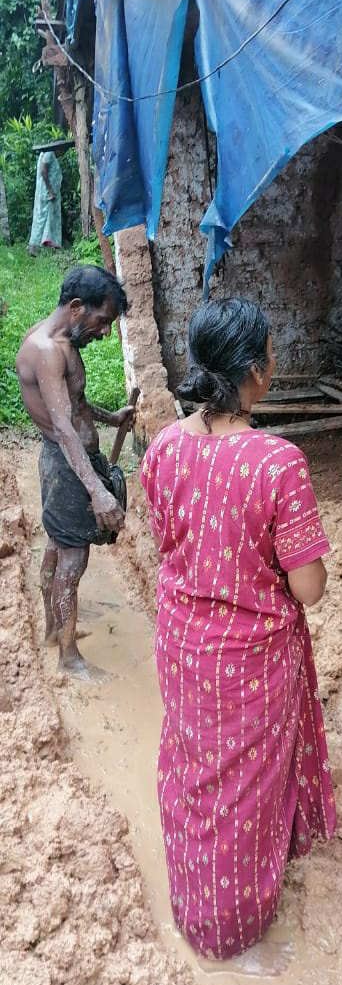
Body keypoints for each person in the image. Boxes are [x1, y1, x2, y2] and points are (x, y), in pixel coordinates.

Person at [141, 298, 336, 960]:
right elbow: (308, 587)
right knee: (244, 791)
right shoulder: (277, 463)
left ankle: (193, 898)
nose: (275, 364)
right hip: (251, 659)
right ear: (254, 372)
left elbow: (167, 540)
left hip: (181, 643)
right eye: (273, 354)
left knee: (196, 770)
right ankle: (231, 931)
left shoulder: (165, 444)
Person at [15, 265, 135, 679]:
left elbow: (75, 406)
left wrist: (111, 416)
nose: (104, 332)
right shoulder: (46, 350)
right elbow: (64, 428)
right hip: (67, 467)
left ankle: (53, 630)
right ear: (78, 307)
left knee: (58, 544)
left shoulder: (66, 339)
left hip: (72, 462)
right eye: (102, 321)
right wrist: (98, 492)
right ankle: (69, 659)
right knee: (73, 557)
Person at [27, 142, 69, 255]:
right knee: (42, 218)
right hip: (47, 193)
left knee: (49, 219)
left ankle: (47, 245)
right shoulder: (48, 153)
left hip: (49, 193)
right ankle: (33, 246)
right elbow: (43, 171)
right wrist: (50, 189)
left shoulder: (50, 155)